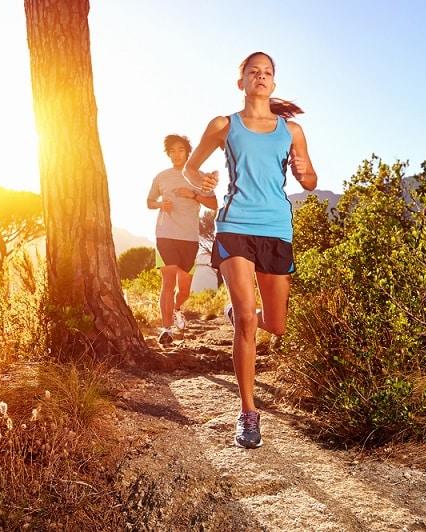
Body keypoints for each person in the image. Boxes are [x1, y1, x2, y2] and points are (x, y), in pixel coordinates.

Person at [183, 52, 317, 448]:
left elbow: (309, 179)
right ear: (240, 82)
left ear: (273, 84)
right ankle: (247, 413)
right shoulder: (225, 125)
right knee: (246, 319)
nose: (260, 77)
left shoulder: (290, 131)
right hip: (235, 226)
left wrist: (304, 173)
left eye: (267, 72)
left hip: (276, 229)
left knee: (274, 325)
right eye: (252, 72)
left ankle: (235, 313)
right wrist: (202, 181)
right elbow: (191, 168)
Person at [147, 134, 218, 345]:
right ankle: (166, 329)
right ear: (168, 154)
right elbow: (149, 201)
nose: (176, 155)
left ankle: (178, 309)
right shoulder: (161, 177)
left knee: (184, 289)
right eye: (172, 151)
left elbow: (213, 204)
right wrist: (161, 205)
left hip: (189, 238)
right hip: (165, 234)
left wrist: (192, 195)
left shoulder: (200, 176)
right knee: (167, 283)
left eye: (180, 150)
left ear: (188, 152)